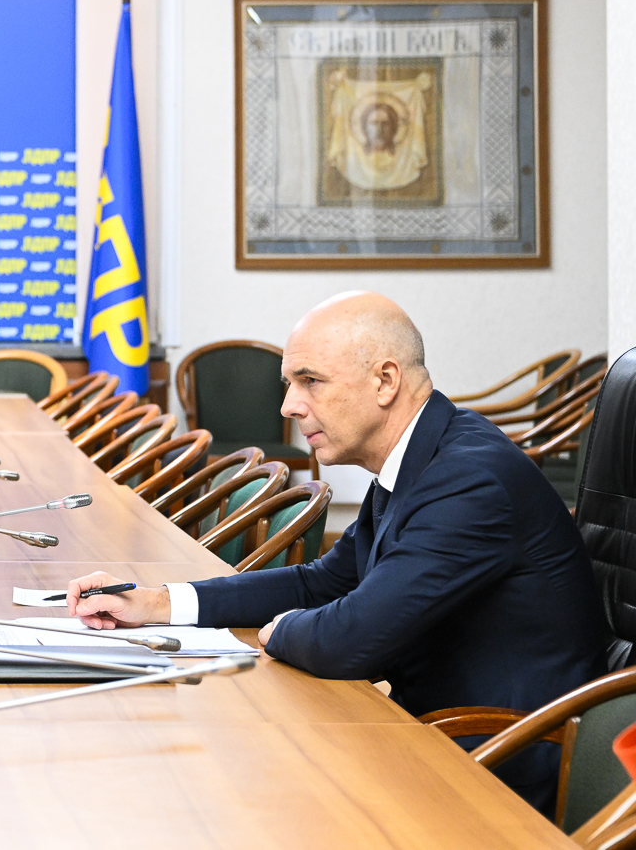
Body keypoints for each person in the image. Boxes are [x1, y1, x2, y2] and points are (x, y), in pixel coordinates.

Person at [65, 291, 605, 812]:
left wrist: (280, 630)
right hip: (426, 740)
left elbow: (351, 641)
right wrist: (159, 603)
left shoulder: (469, 479)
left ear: (385, 381)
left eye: (311, 382)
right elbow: (322, 583)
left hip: (494, 770)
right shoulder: (424, 457)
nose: (289, 406)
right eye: (289, 384)